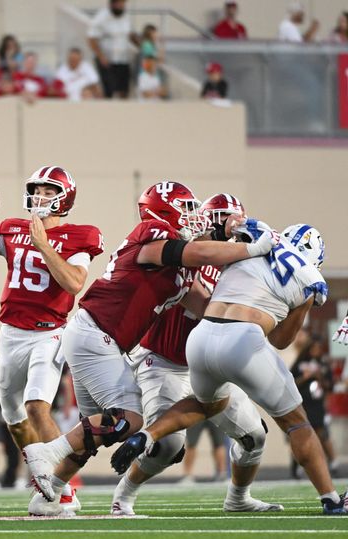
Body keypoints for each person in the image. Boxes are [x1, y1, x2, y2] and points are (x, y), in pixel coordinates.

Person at [22, 181, 280, 509]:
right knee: (128, 419)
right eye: (186, 208)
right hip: (96, 336)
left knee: (95, 435)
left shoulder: (183, 271)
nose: (193, 216)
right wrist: (253, 248)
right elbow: (190, 251)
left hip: (100, 340)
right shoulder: (153, 232)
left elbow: (208, 308)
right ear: (163, 210)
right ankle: (46, 452)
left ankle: (49, 495)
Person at [112, 223, 347, 515]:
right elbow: (281, 340)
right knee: (297, 422)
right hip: (242, 340)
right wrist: (297, 305)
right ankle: (332, 499)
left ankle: (149, 436)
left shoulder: (252, 242)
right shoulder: (309, 277)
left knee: (210, 405)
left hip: (200, 338)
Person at [0, 166, 104, 516]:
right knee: (14, 418)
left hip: (48, 332)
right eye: (36, 190)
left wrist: (44, 246)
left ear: (65, 197)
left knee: (37, 406)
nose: (40, 196)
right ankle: (42, 476)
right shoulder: (13, 229)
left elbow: (74, 283)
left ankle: (62, 490)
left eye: (49, 191)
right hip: (10, 334)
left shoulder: (80, 236)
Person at [109, 193, 278, 515]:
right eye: (225, 217)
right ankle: (123, 497)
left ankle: (238, 498)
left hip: (211, 367)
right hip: (164, 361)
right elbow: (200, 300)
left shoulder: (245, 265)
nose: (233, 224)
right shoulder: (190, 252)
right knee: (167, 446)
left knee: (254, 437)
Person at [290, 336, 337, 477]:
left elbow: (330, 386)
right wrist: (305, 377)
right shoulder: (299, 364)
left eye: (318, 349)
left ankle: (329, 462)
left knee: (320, 433)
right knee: (301, 434)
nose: (316, 351)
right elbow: (290, 383)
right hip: (302, 404)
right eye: (314, 348)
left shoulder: (323, 364)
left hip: (317, 404)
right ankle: (297, 465)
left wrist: (319, 377)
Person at [88, 0, 138, 99]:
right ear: (112, 4)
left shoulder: (126, 17)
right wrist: (101, 57)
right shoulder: (101, 17)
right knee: (108, 91)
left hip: (123, 59)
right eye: (118, 3)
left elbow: (130, 34)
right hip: (107, 61)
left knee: (124, 90)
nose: (121, 6)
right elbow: (91, 38)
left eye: (122, 4)